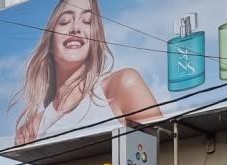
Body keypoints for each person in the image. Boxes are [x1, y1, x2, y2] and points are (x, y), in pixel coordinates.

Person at [11, 0, 162, 146]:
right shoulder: (34, 126)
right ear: (50, 41)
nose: (76, 28)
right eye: (65, 21)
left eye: (87, 21)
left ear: (95, 38)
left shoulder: (122, 85)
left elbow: (165, 148)